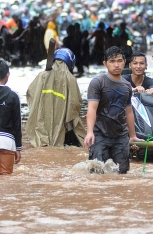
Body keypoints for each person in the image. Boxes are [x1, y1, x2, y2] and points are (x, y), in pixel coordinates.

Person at [84, 46, 143, 174]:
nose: (116, 65)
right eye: (112, 61)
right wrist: (89, 132)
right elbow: (92, 109)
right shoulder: (97, 83)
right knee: (98, 173)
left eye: (119, 61)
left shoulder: (127, 85)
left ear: (125, 62)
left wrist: (132, 136)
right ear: (105, 64)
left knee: (122, 173)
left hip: (121, 136)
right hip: (99, 134)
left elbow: (128, 111)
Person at [26, 48, 86, 147]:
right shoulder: (71, 79)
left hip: (43, 120)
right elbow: (75, 104)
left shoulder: (42, 75)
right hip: (61, 123)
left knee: (43, 145)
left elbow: (30, 93)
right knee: (60, 144)